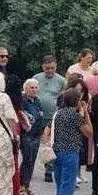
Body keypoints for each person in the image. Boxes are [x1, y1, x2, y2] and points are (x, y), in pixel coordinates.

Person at [51, 89, 93, 195]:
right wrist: (86, 113)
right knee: (68, 183)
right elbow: (89, 132)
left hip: (57, 151)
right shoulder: (74, 115)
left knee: (60, 181)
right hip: (70, 151)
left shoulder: (59, 113)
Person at [33, 55, 66, 183]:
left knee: (50, 144)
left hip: (52, 117)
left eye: (52, 68)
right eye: (47, 68)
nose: (50, 71)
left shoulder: (61, 81)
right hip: (37, 116)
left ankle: (49, 169)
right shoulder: (36, 78)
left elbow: (64, 98)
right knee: (34, 143)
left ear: (56, 66)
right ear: (43, 67)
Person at [19, 79, 46, 195]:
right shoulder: (22, 101)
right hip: (27, 135)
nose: (34, 90)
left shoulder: (37, 101)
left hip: (37, 134)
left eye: (36, 87)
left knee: (32, 161)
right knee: (27, 160)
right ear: (25, 88)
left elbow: (41, 115)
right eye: (31, 87)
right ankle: (21, 186)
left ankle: (27, 185)